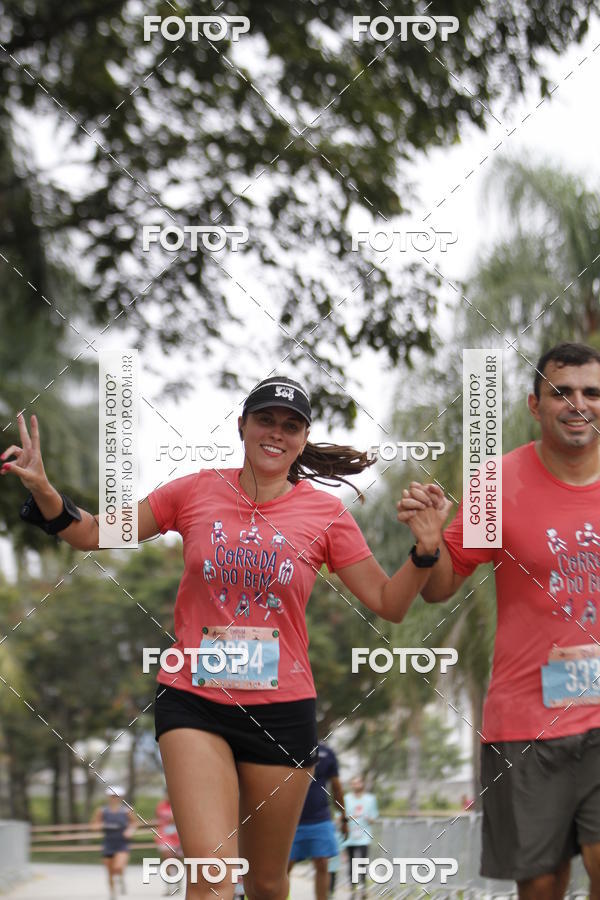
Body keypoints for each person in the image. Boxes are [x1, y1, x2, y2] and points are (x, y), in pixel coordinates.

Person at [2, 375, 434, 900]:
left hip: (282, 712)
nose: (276, 433)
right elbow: (93, 532)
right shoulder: (195, 491)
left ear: (302, 439)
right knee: (210, 876)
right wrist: (44, 490)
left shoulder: (326, 514)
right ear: (242, 425)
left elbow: (389, 602)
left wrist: (424, 553)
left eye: (291, 426)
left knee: (268, 883)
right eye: (266, 420)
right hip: (194, 700)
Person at [397, 342, 600, 900]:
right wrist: (430, 545)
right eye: (561, 392)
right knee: (541, 885)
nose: (578, 403)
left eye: (592, 392)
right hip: (526, 722)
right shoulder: (497, 484)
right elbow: (440, 589)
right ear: (535, 405)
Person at [287, 740, 348, 900]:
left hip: (320, 819)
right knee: (283, 868)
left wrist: (344, 818)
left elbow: (337, 787)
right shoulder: (287, 746)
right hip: (289, 820)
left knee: (322, 863)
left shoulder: (327, 753)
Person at [91, 786, 137, 900]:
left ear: (121, 797)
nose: (114, 798)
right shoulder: (102, 811)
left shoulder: (127, 811)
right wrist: (99, 826)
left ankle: (121, 878)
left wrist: (130, 831)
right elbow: (94, 825)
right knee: (110, 871)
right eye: (112, 796)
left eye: (116, 796)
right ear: (108, 797)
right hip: (108, 843)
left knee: (118, 867)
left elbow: (134, 823)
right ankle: (113, 894)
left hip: (122, 843)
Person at [344, 775, 378, 897]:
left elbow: (374, 817)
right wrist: (349, 818)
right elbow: (340, 816)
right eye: (353, 783)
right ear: (351, 785)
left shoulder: (370, 799)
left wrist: (369, 819)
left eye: (358, 783)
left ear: (362, 784)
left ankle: (363, 887)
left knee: (362, 862)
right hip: (350, 836)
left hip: (364, 836)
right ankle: (353, 887)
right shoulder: (346, 799)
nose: (356, 785)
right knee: (352, 862)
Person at [155, 791, 183, 894]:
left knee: (177, 860)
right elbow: (159, 819)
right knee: (167, 859)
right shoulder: (161, 806)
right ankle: (168, 886)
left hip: (178, 836)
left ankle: (178, 882)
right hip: (165, 836)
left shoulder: (180, 805)